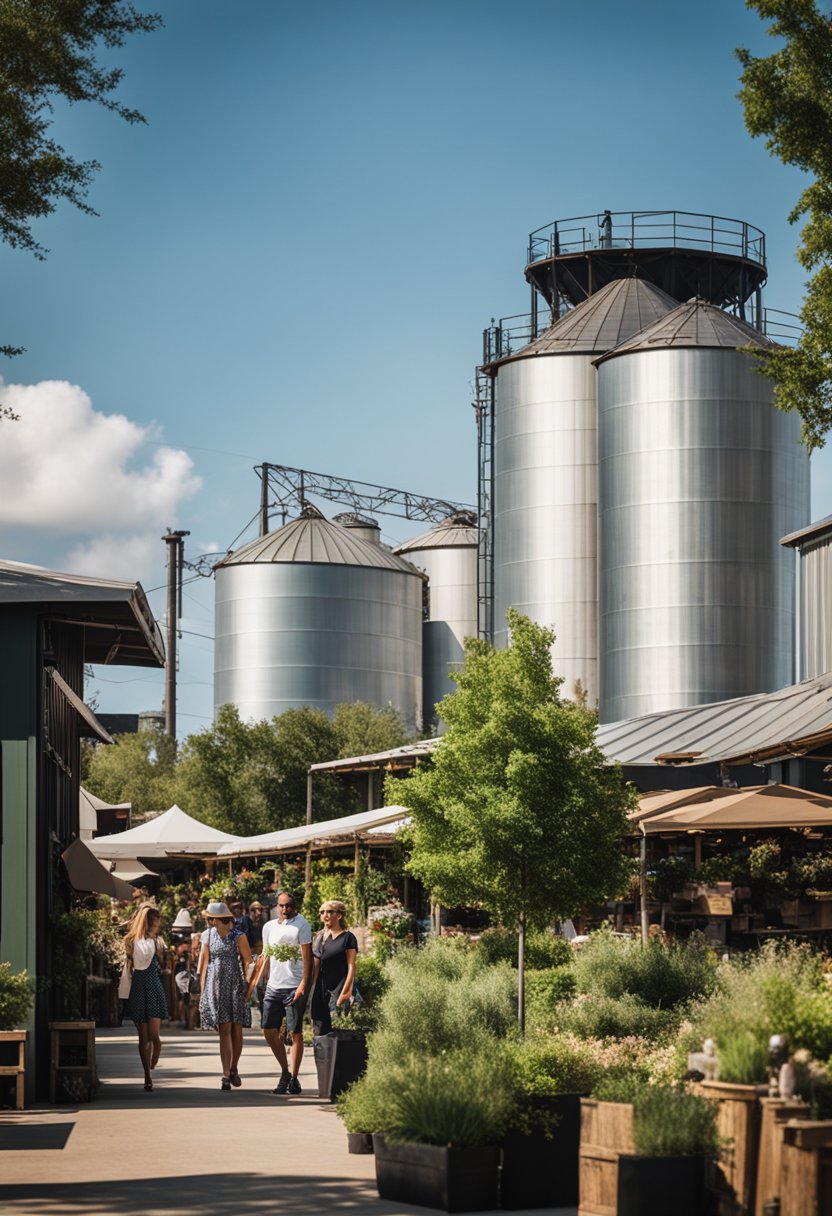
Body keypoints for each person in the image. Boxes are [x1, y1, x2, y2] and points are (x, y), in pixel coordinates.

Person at [248, 889, 312, 1095]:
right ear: (276, 906)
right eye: (281, 906)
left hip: (294, 985)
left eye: (289, 906)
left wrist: (303, 986)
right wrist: (259, 981)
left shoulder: (302, 925)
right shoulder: (268, 927)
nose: (285, 909)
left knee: (295, 1033)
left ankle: (294, 1077)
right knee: (269, 1030)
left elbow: (308, 959)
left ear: (295, 906)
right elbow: (266, 956)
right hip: (274, 986)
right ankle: (284, 1071)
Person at [198, 900, 253, 1091]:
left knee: (236, 1030)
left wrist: (248, 986)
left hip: (235, 985)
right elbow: (204, 964)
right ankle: (225, 1074)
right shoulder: (208, 935)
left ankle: (234, 1066)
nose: (209, 922)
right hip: (216, 985)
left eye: (210, 919)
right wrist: (203, 991)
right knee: (224, 1030)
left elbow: (248, 962)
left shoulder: (238, 936)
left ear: (218, 919)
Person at [120, 904, 169, 1092]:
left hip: (153, 986)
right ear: (148, 923)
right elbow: (129, 962)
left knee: (154, 1036)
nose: (158, 927)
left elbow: (161, 958)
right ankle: (147, 1076)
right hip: (139, 986)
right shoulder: (131, 940)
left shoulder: (157, 941)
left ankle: (157, 1050)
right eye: (155, 923)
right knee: (143, 1037)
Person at [311, 899, 358, 1037]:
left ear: (339, 915)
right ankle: (322, 1058)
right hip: (320, 989)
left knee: (337, 1030)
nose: (325, 915)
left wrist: (346, 992)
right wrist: (308, 988)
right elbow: (315, 966)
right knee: (318, 1029)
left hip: (338, 988)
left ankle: (337, 1058)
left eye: (330, 911)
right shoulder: (318, 938)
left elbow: (351, 966)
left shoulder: (348, 938)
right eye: (322, 912)